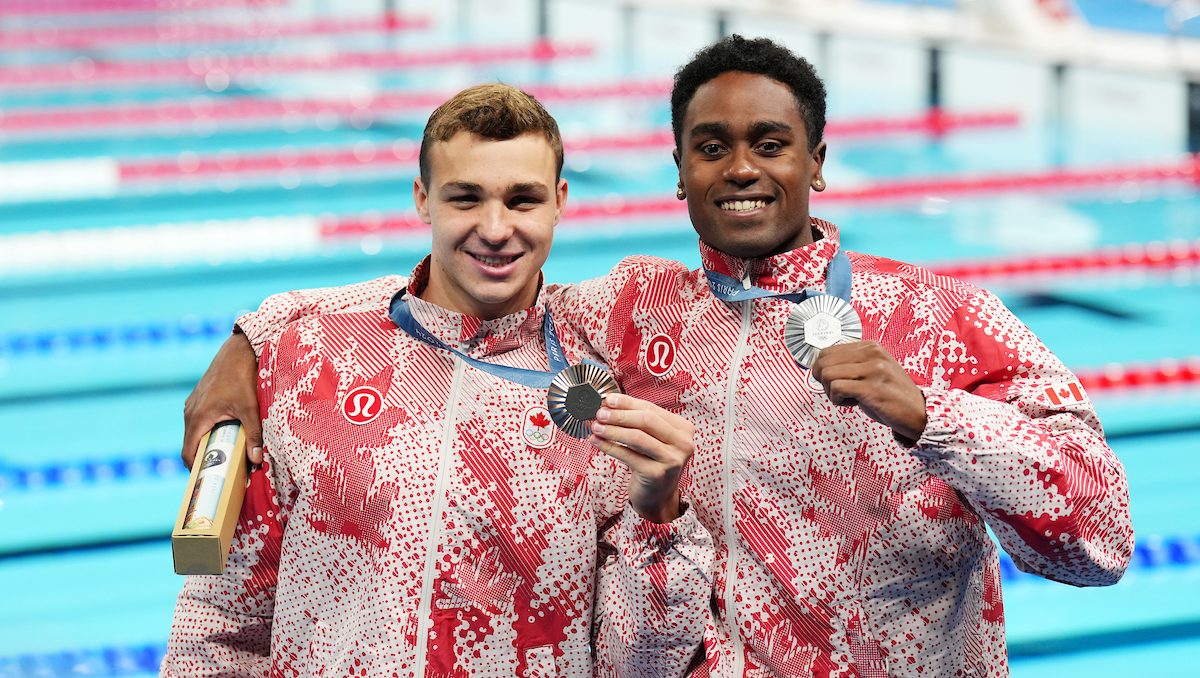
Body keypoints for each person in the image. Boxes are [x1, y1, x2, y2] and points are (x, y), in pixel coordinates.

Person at [184, 37, 1135, 676]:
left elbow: (1101, 543)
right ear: (678, 170)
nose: (742, 168)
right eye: (711, 146)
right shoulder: (631, 316)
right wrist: (253, 339)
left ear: (819, 158)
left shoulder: (939, 315)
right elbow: (465, 311)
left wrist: (933, 416)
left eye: (772, 143)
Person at [163, 84, 714, 677]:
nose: (496, 228)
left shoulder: (604, 395)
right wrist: (251, 337)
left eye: (522, 200)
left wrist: (660, 521)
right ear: (423, 199)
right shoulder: (310, 355)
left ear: (560, 200)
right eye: (466, 198)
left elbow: (639, 668)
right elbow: (224, 617)